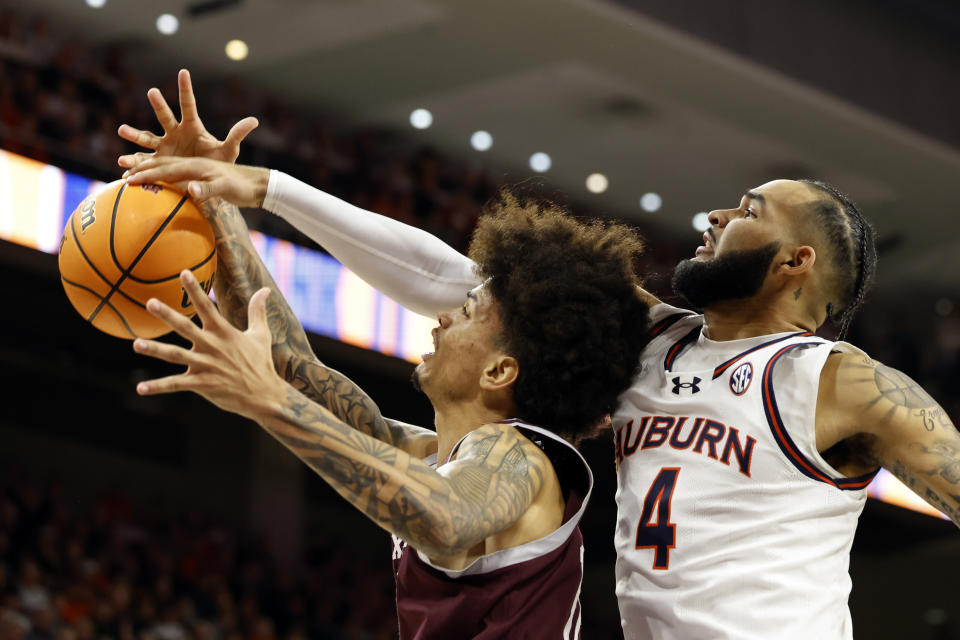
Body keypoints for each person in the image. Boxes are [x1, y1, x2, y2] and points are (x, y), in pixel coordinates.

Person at [121, 71, 960, 639]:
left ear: (795, 263)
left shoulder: (836, 380)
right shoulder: (655, 341)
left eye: (744, 210)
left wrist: (270, 393)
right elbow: (452, 277)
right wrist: (256, 191)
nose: (713, 216)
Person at [120, 69, 651, 640]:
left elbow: (446, 518)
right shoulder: (431, 454)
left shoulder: (522, 456)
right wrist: (212, 198)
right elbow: (292, 374)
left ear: (501, 370)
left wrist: (268, 401)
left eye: (468, 312)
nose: (443, 316)